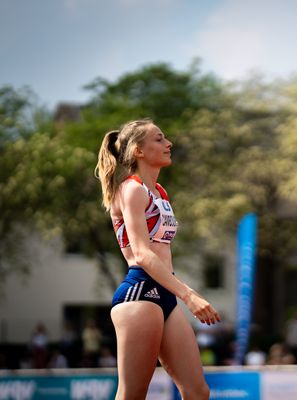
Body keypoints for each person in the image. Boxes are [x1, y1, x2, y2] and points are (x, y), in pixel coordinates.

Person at [96, 119, 220, 399]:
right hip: (140, 294)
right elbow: (141, 253)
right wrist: (189, 296)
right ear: (139, 150)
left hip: (165, 295)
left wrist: (179, 295)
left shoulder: (159, 193)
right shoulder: (131, 189)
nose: (169, 144)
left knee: (198, 392)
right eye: (159, 139)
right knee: (132, 394)